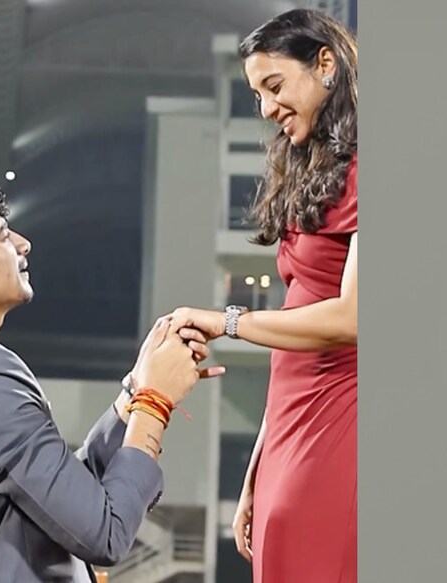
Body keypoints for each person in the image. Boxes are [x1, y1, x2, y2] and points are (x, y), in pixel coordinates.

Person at [0, 165, 225, 583]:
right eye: (3, 236)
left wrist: (134, 391)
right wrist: (154, 402)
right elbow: (105, 533)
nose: (23, 244)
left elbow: (56, 497)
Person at [166, 9, 358, 582]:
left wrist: (228, 322)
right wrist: (258, 466)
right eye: (257, 95)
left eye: (274, 86)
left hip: (341, 414)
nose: (268, 108)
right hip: (291, 424)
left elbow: (353, 318)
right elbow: (295, 337)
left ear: (325, 64)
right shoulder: (314, 168)